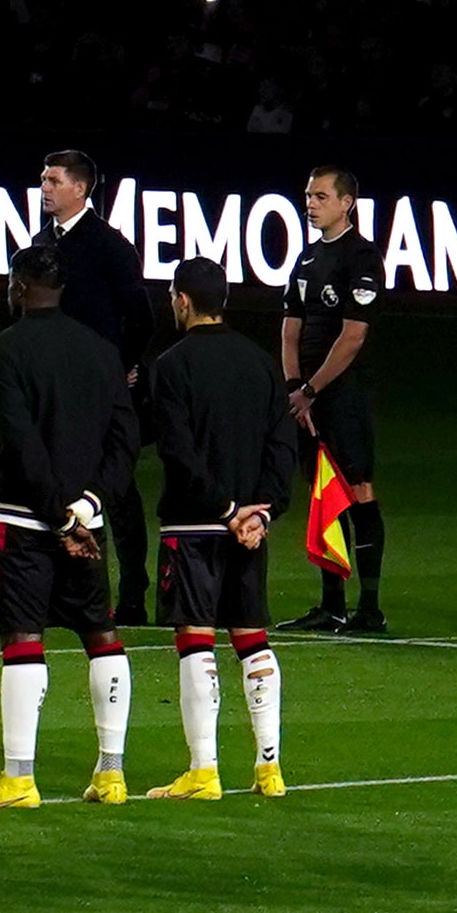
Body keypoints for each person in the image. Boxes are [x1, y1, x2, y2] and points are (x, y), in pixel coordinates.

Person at [0, 256, 134, 805]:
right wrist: (88, 504)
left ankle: (19, 778)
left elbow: (23, 443)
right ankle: (112, 773)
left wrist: (60, 516)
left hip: (23, 519)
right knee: (100, 633)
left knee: (21, 634)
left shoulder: (3, 351)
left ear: (19, 286)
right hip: (89, 521)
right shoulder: (102, 351)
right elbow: (124, 440)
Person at [137, 261, 288, 798]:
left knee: (195, 639)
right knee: (252, 637)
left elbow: (177, 449)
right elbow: (281, 446)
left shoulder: (172, 365)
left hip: (195, 524)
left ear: (182, 300)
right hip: (250, 526)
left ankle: (204, 770)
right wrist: (260, 512)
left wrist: (224, 510)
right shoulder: (261, 363)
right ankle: (269, 768)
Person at [33, 148, 154, 628]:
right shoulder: (41, 244)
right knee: (53, 484)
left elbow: (140, 317)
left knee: (115, 489)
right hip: (51, 391)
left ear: (80, 188)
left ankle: (132, 594)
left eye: (53, 179)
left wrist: (119, 368)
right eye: (43, 179)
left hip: (101, 393)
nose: (44, 187)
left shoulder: (109, 245)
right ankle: (59, 589)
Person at [277, 165, 391, 634]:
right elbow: (290, 329)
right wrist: (292, 389)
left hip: (343, 394)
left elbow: (353, 336)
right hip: (307, 398)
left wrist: (310, 389)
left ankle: (369, 606)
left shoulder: (362, 257)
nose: (311, 203)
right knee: (322, 493)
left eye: (321, 196)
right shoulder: (306, 259)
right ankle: (331, 604)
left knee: (358, 488)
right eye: (308, 195)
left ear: (347, 203)